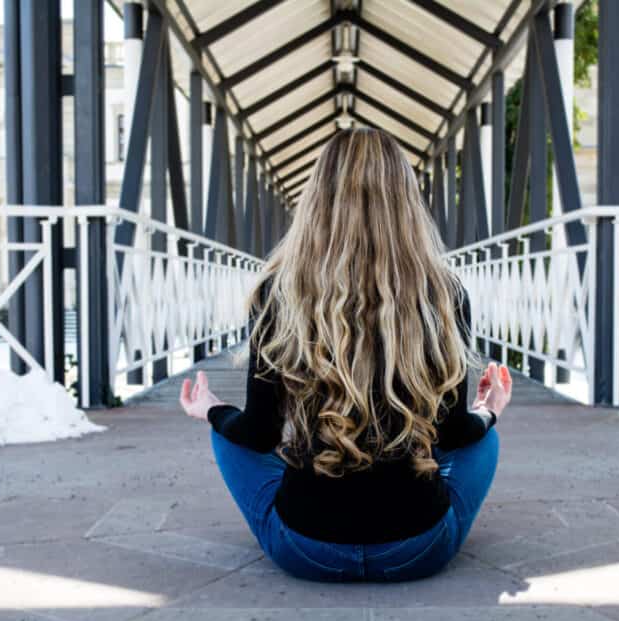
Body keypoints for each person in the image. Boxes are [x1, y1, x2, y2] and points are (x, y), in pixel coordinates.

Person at [179, 128, 512, 582]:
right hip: (418, 549)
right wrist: (488, 412)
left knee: (226, 433)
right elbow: (454, 435)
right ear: (406, 202)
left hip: (304, 547)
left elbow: (259, 434)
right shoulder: (443, 293)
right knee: (484, 442)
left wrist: (212, 410)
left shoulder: (279, 293)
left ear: (317, 198)